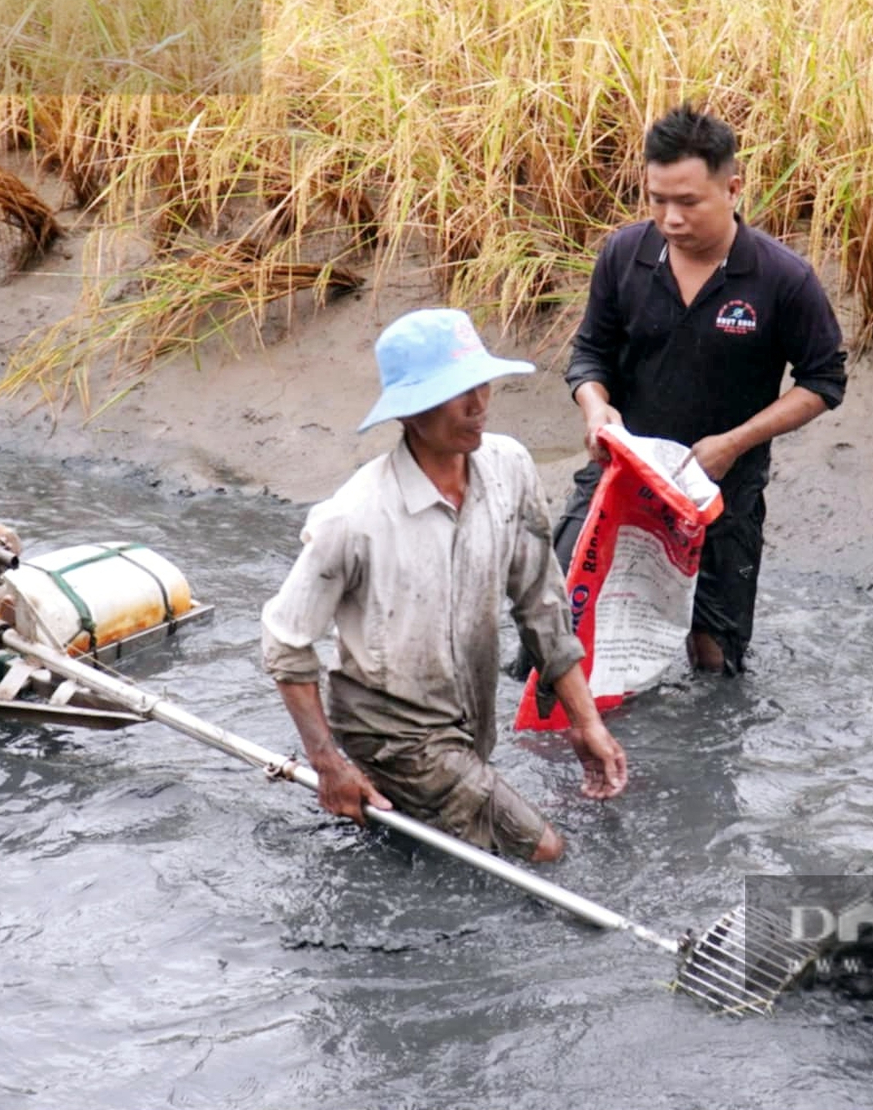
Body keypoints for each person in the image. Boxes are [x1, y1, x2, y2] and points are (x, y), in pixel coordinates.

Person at [261, 308, 629, 863]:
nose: (478, 405)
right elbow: (285, 642)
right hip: (390, 729)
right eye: (457, 393)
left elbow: (542, 603)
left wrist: (585, 721)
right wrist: (327, 763)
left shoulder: (509, 468)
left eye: (481, 384)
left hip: (466, 714)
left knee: (433, 848)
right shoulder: (355, 517)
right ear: (409, 412)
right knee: (546, 852)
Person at [558, 104, 849, 675]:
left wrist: (735, 443)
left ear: (733, 187)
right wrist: (596, 409)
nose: (670, 217)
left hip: (721, 490)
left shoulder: (782, 278)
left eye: (688, 201)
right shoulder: (623, 255)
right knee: (562, 630)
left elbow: (823, 380)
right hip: (620, 477)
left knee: (716, 664)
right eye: (657, 199)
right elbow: (589, 353)